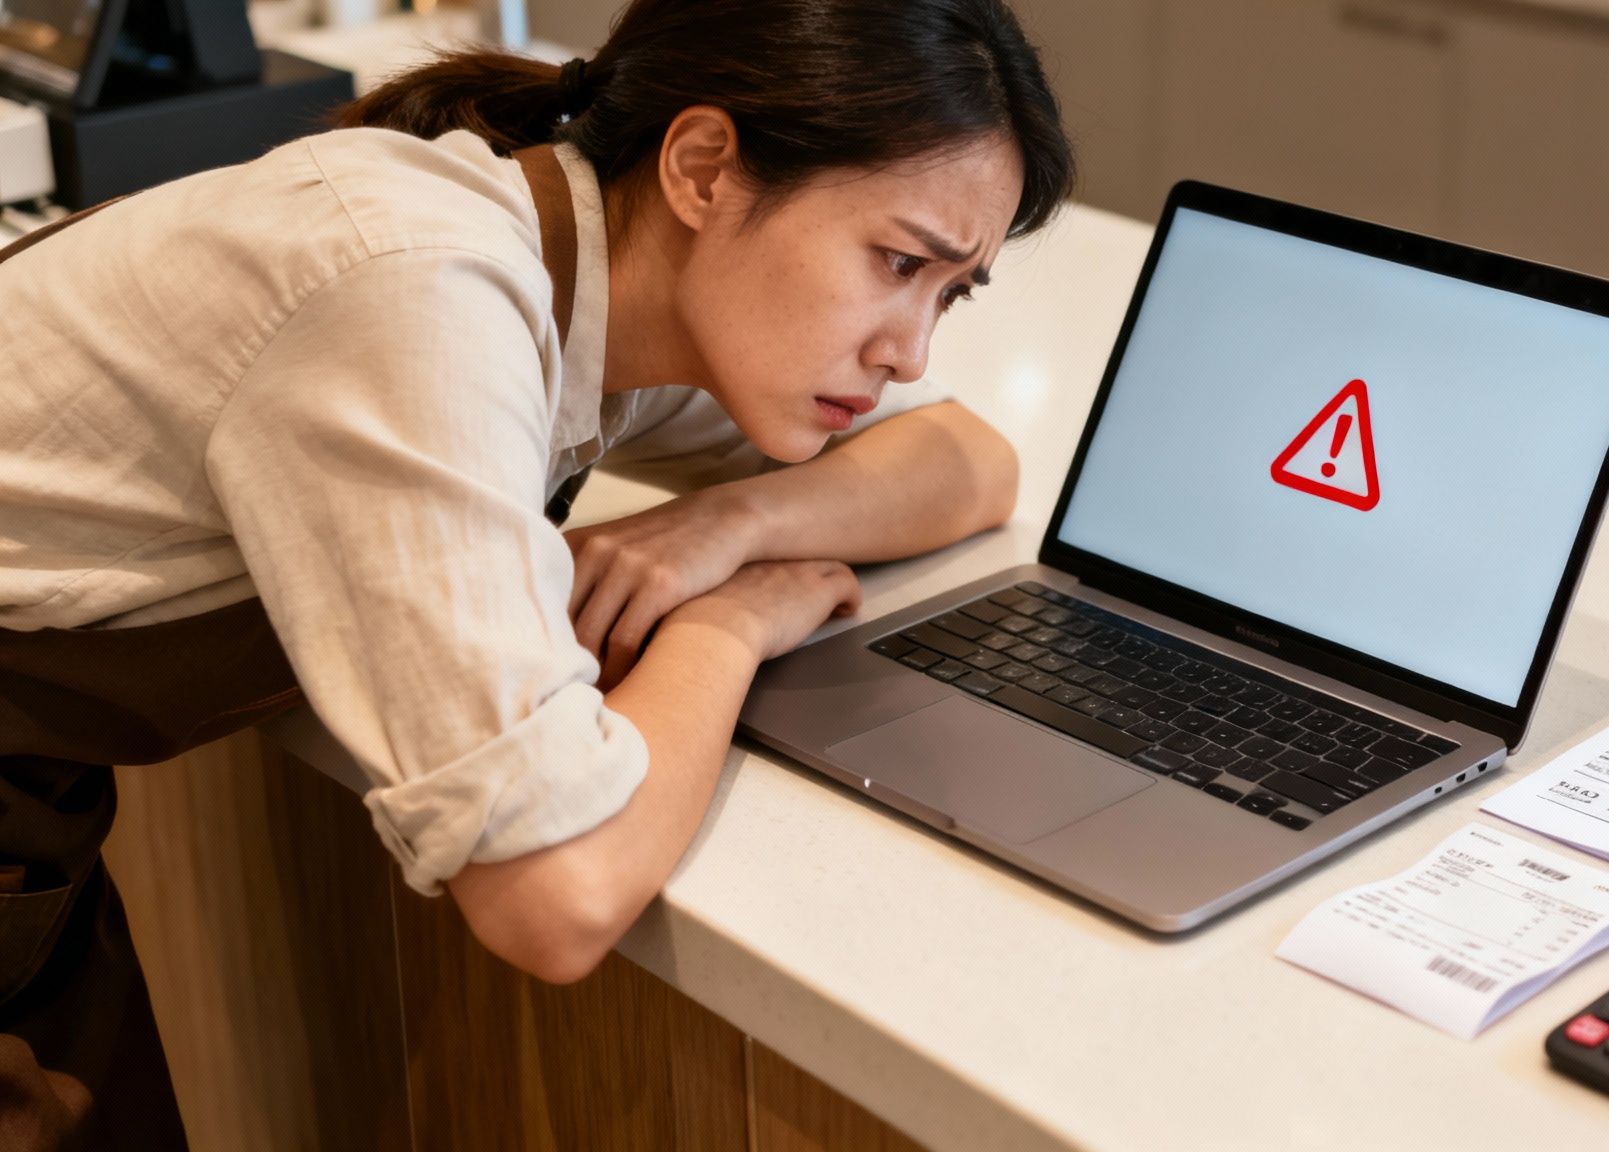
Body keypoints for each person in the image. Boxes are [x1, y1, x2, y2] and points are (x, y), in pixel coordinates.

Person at [0, 0, 1074, 1145]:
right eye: (898, 262)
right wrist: (727, 625)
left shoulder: (595, 278)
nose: (909, 346)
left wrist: (724, 525)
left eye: (948, 291)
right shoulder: (419, 292)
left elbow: (968, 462)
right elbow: (554, 897)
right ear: (704, 169)